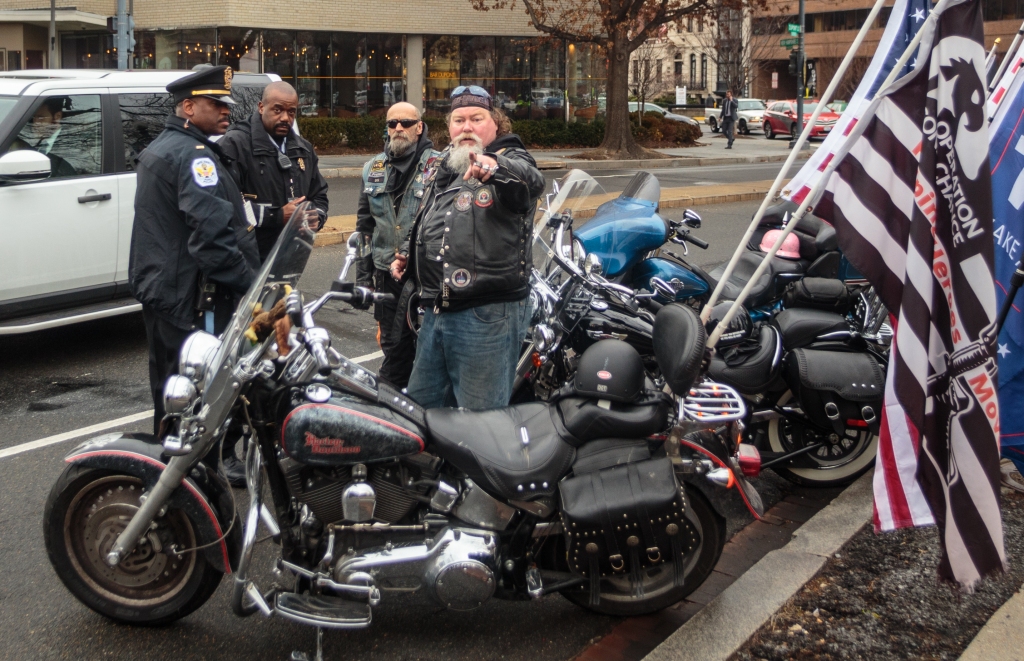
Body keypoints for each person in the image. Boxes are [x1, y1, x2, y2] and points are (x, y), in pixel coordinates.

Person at [128, 66, 260, 485]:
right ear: (188, 107)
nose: (227, 112)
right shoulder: (194, 156)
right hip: (191, 298)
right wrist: (251, 287)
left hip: (168, 293)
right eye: (216, 104)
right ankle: (183, 488)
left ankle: (173, 481)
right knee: (191, 396)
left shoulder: (169, 147)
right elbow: (213, 240)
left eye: (227, 104)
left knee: (171, 391)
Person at [391, 86, 544, 409]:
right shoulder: (448, 163)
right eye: (459, 120)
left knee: (481, 420)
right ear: (449, 127)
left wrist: (495, 168)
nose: (467, 127)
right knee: (424, 410)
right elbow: (431, 211)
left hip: (485, 314)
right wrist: (409, 252)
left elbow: (529, 182)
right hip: (437, 307)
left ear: (496, 124)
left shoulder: (509, 158)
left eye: (477, 118)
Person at [354, 102, 437, 389]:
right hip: (386, 278)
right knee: (392, 347)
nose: (398, 128)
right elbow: (365, 228)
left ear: (419, 127)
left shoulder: (439, 166)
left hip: (425, 278)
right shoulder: (372, 168)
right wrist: (363, 280)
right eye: (392, 123)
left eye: (405, 122)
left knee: (424, 351)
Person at [219, 81, 329, 261]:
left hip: (289, 259)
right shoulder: (234, 145)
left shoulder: (304, 149)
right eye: (278, 110)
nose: (285, 118)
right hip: (246, 260)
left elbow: (319, 194)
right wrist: (276, 216)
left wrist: (316, 217)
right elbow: (225, 204)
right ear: (261, 107)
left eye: (291, 112)